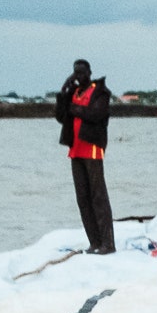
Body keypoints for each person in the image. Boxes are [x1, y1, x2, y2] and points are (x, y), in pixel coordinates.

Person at [54, 59, 115, 254]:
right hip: (76, 151)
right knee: (83, 197)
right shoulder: (74, 93)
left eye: (82, 72)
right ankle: (95, 242)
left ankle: (108, 243)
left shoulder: (100, 92)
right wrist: (64, 91)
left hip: (92, 149)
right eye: (75, 73)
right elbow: (60, 116)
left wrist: (74, 109)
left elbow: (94, 114)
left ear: (89, 72)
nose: (79, 76)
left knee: (98, 196)